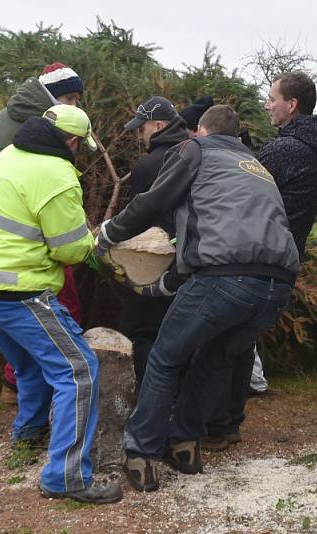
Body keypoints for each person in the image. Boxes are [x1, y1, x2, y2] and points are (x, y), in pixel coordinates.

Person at [96, 105, 300, 492]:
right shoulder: (255, 165)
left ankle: (141, 455)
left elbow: (155, 201)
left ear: (201, 132)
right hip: (277, 286)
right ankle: (185, 444)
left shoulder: (196, 150)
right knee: (217, 358)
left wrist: (110, 232)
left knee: (165, 356)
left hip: (227, 276)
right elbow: (222, 227)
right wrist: (171, 281)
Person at [0, 104, 122, 504]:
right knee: (79, 370)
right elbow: (68, 249)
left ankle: (28, 433)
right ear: (70, 141)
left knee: (30, 361)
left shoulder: (9, 156)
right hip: (19, 289)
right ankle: (66, 477)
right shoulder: (58, 175)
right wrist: (97, 247)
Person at [207, 71, 317, 448]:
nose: (266, 104)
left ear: (291, 105)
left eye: (272, 97)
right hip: (285, 258)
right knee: (242, 341)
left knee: (221, 341)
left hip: (259, 256)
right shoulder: (311, 145)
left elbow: (242, 188)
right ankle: (228, 423)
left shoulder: (286, 150)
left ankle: (215, 425)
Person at [0, 62, 86, 404]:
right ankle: (58, 398)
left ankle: (15, 392)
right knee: (62, 311)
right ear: (52, 97)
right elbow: (45, 193)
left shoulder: (5, 116)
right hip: (29, 239)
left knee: (17, 327)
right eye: (69, 98)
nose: (74, 107)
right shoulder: (39, 126)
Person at [117, 96, 189, 385]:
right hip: (194, 258)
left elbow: (136, 217)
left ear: (158, 125)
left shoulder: (149, 165)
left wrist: (109, 237)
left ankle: (150, 396)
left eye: (142, 128)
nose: (139, 135)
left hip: (156, 261)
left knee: (139, 328)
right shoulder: (193, 152)